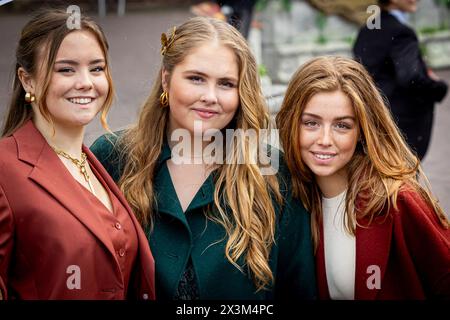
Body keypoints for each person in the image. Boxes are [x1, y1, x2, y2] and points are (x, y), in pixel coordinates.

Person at [91, 16, 316, 300]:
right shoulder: (113, 157)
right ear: (166, 78)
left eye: (226, 84)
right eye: (196, 78)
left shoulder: (274, 173)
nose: (210, 96)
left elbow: (299, 288)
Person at [0, 9, 155, 300]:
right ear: (27, 80)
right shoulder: (4, 170)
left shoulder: (98, 163)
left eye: (96, 68)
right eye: (66, 69)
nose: (86, 82)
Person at [276, 56, 450, 300]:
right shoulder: (296, 201)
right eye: (311, 123)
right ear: (292, 124)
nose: (325, 140)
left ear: (361, 132)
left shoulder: (398, 200)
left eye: (342, 126)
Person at [353, 0, 448, 160]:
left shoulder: (367, 28)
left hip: (372, 117)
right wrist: (439, 87)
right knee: (404, 176)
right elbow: (410, 76)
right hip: (401, 125)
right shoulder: (401, 32)